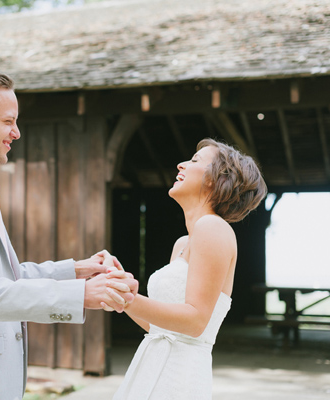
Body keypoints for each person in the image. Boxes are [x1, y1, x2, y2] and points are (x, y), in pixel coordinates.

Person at [0, 65, 138, 400]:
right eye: (8, 121)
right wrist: (81, 295)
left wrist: (76, 270)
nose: (16, 133)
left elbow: (5, 276)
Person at [103, 138, 267, 400]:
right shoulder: (183, 242)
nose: (180, 164)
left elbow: (195, 321)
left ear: (216, 178)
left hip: (179, 377)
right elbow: (160, 327)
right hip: (151, 365)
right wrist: (119, 288)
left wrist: (131, 300)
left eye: (194, 161)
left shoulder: (212, 228)